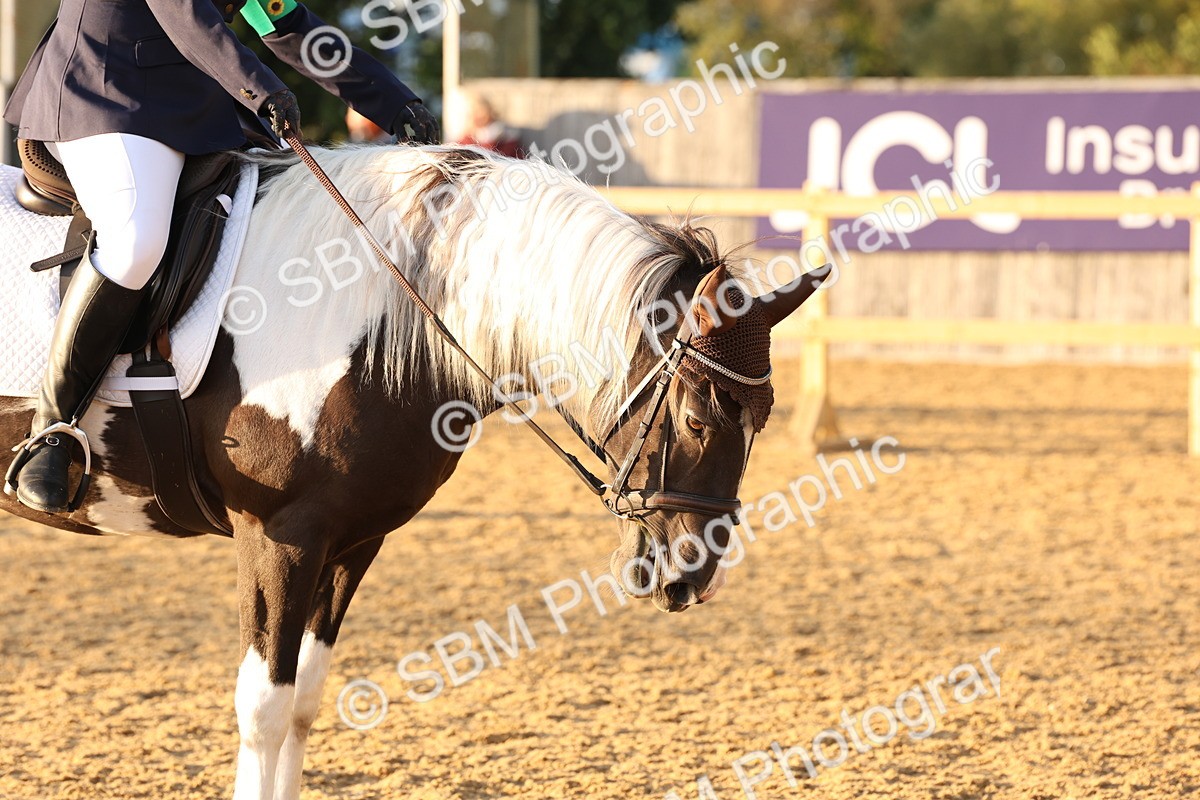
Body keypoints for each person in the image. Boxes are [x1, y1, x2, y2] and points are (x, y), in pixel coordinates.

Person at [1, 0, 440, 514]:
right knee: (134, 243)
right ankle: (52, 429)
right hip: (104, 92)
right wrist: (262, 89)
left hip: (193, 111)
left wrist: (394, 103)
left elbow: (280, 19)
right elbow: (185, 13)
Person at [455, 92, 522, 158]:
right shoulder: (467, 139)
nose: (477, 116)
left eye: (480, 111)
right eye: (473, 112)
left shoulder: (506, 137)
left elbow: (495, 158)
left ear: (490, 111)